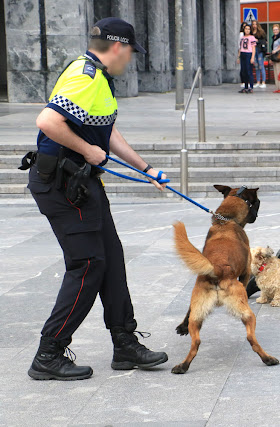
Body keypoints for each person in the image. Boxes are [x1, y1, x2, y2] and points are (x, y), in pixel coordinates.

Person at [22, 17, 168, 381]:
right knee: (88, 264)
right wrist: (88, 150)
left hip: (82, 184)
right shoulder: (84, 76)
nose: (130, 59)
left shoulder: (99, 77)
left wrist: (145, 168)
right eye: (131, 52)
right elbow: (47, 121)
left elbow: (109, 130)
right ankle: (49, 353)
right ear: (118, 47)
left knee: (111, 259)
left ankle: (124, 344)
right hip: (60, 184)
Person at [237, 24, 256, 93]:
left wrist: (252, 57)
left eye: (248, 29)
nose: (247, 30)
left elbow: (253, 48)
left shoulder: (252, 37)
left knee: (249, 71)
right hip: (243, 54)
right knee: (243, 71)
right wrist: (238, 57)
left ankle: (251, 87)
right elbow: (240, 48)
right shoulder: (242, 38)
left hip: (249, 54)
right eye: (246, 29)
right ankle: (245, 86)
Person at [251, 20, 267, 89]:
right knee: (256, 65)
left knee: (261, 65)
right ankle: (258, 81)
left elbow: (265, 41)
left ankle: (263, 82)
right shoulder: (251, 32)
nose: (254, 26)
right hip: (254, 49)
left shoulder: (261, 32)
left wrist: (258, 41)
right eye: (253, 24)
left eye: (255, 24)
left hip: (260, 49)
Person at [271, 24, 280, 93]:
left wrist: (276, 50)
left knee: (279, 73)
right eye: (274, 30)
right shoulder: (273, 37)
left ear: (279, 30)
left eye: (276, 29)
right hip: (274, 57)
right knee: (276, 73)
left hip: (279, 57)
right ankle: (278, 87)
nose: (275, 31)